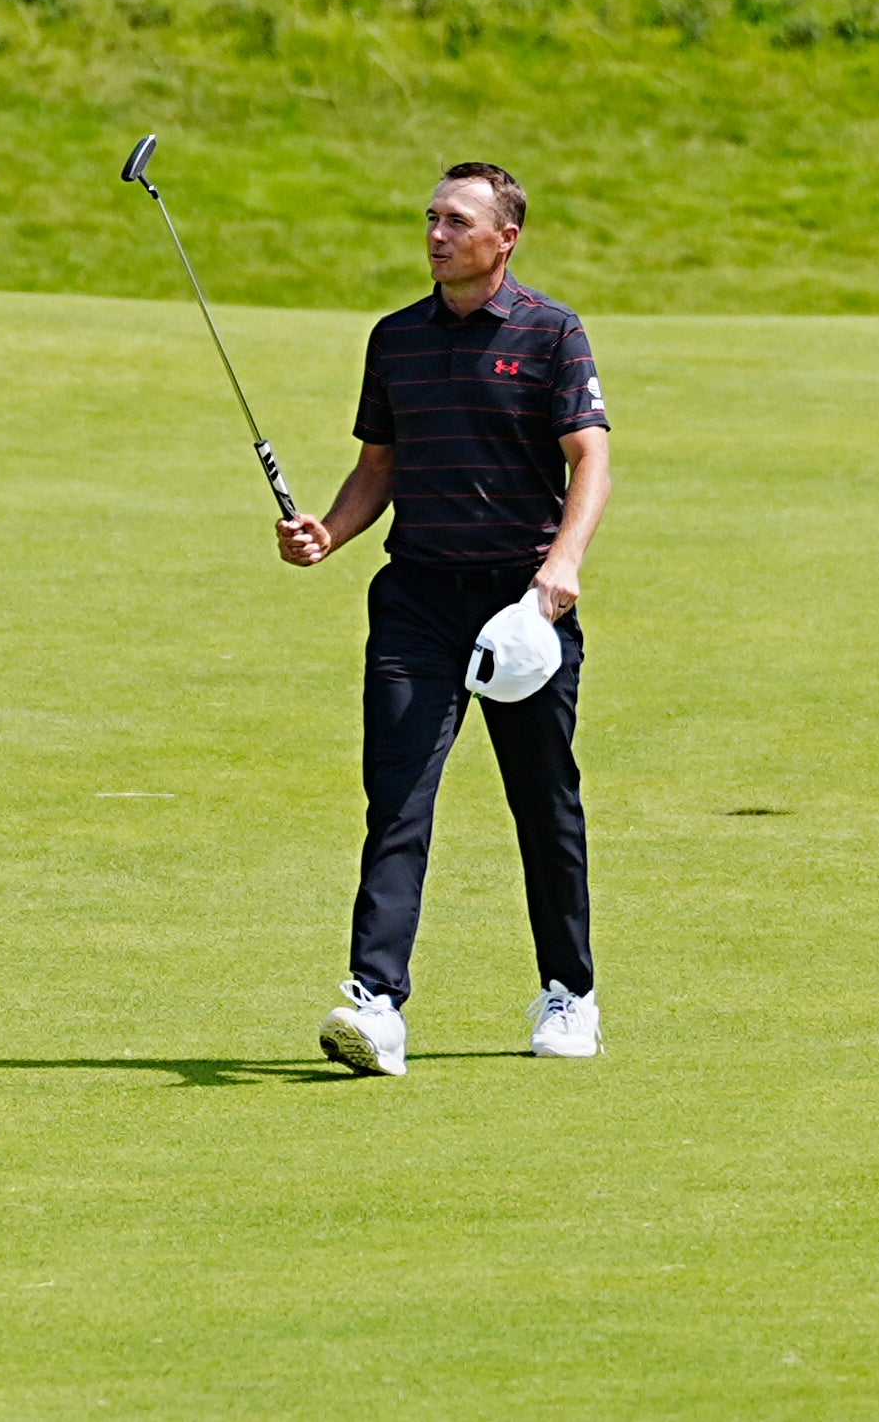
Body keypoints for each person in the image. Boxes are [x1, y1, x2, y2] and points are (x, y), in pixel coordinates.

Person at [276, 162, 612, 1077]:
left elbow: (589, 460)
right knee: (396, 800)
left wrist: (561, 566)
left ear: (505, 238)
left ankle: (569, 992)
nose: (434, 234)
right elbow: (377, 467)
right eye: (429, 217)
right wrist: (328, 534)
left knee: (542, 802)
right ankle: (375, 1002)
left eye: (456, 221)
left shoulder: (551, 332)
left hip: (521, 607)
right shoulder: (394, 339)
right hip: (417, 601)